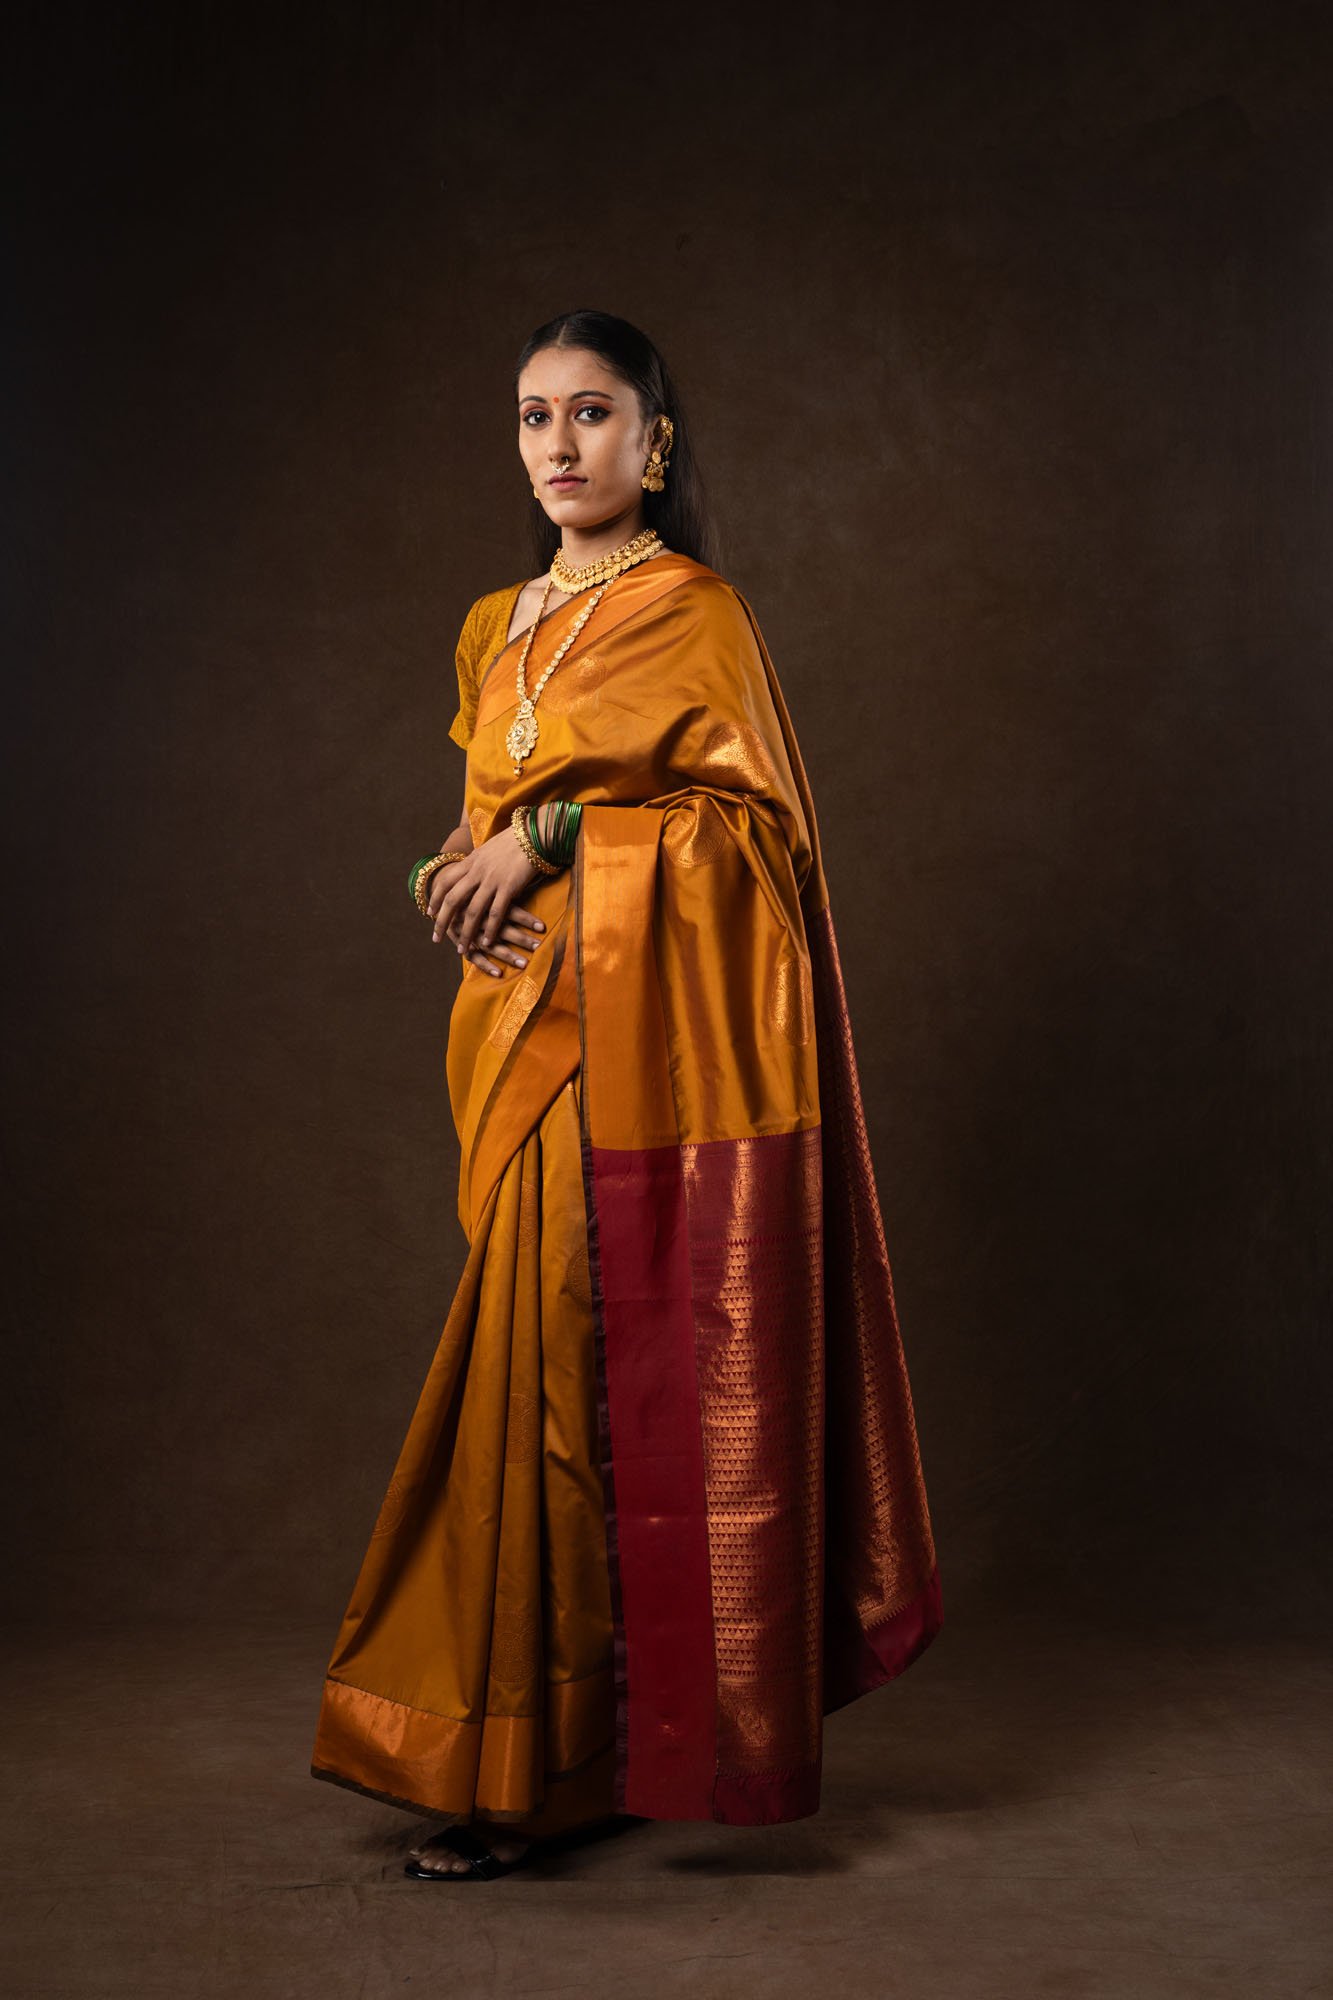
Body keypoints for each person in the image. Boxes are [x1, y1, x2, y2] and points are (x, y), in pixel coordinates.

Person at [309, 308, 943, 1882]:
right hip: (515, 1034)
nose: (559, 444)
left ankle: (551, 1772)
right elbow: (476, 817)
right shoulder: (493, 625)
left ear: (653, 444)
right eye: (534, 417)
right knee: (529, 1395)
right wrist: (446, 877)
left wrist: (559, 843)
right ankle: (538, 1750)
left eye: (592, 413)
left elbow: (756, 846)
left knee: (590, 1392)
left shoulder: (694, 613)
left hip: (642, 1062)